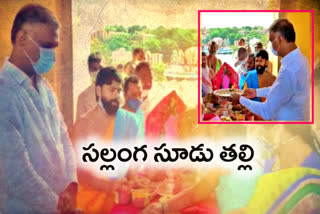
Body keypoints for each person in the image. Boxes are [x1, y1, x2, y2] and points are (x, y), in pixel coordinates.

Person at [0, 4, 78, 213]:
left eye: (54, 47)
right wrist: (58, 205)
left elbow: (63, 138)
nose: (51, 55)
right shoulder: (4, 93)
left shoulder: (44, 87)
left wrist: (71, 185)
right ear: (22, 39)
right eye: (46, 46)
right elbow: (16, 173)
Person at [72, 67, 141, 214]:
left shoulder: (127, 121)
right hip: (89, 206)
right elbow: (81, 174)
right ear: (98, 90)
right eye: (111, 90)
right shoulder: (83, 125)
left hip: (120, 203)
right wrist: (109, 185)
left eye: (118, 91)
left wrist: (132, 181)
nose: (116, 96)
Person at [232, 19, 310, 121]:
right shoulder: (299, 59)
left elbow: (266, 111)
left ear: (279, 40)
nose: (271, 46)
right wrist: (257, 92)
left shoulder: (289, 69)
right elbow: (280, 90)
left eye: (271, 41)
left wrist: (240, 99)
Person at [76, 52, 102, 121]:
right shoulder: (83, 96)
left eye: (97, 69)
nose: (94, 72)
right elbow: (79, 124)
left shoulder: (115, 93)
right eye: (91, 69)